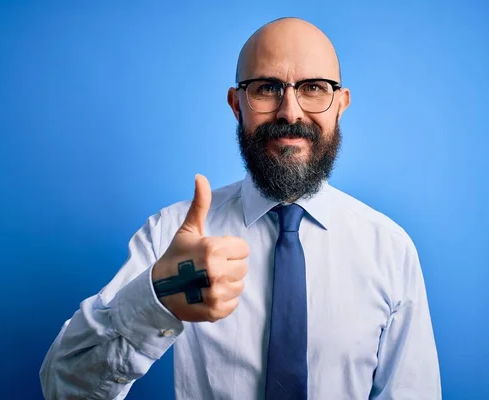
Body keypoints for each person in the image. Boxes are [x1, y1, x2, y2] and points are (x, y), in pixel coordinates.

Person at [40, 17, 441, 400]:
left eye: (314, 88)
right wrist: (156, 301)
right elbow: (62, 387)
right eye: (266, 88)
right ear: (237, 104)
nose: (290, 111)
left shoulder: (390, 249)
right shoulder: (172, 238)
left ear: (341, 103)